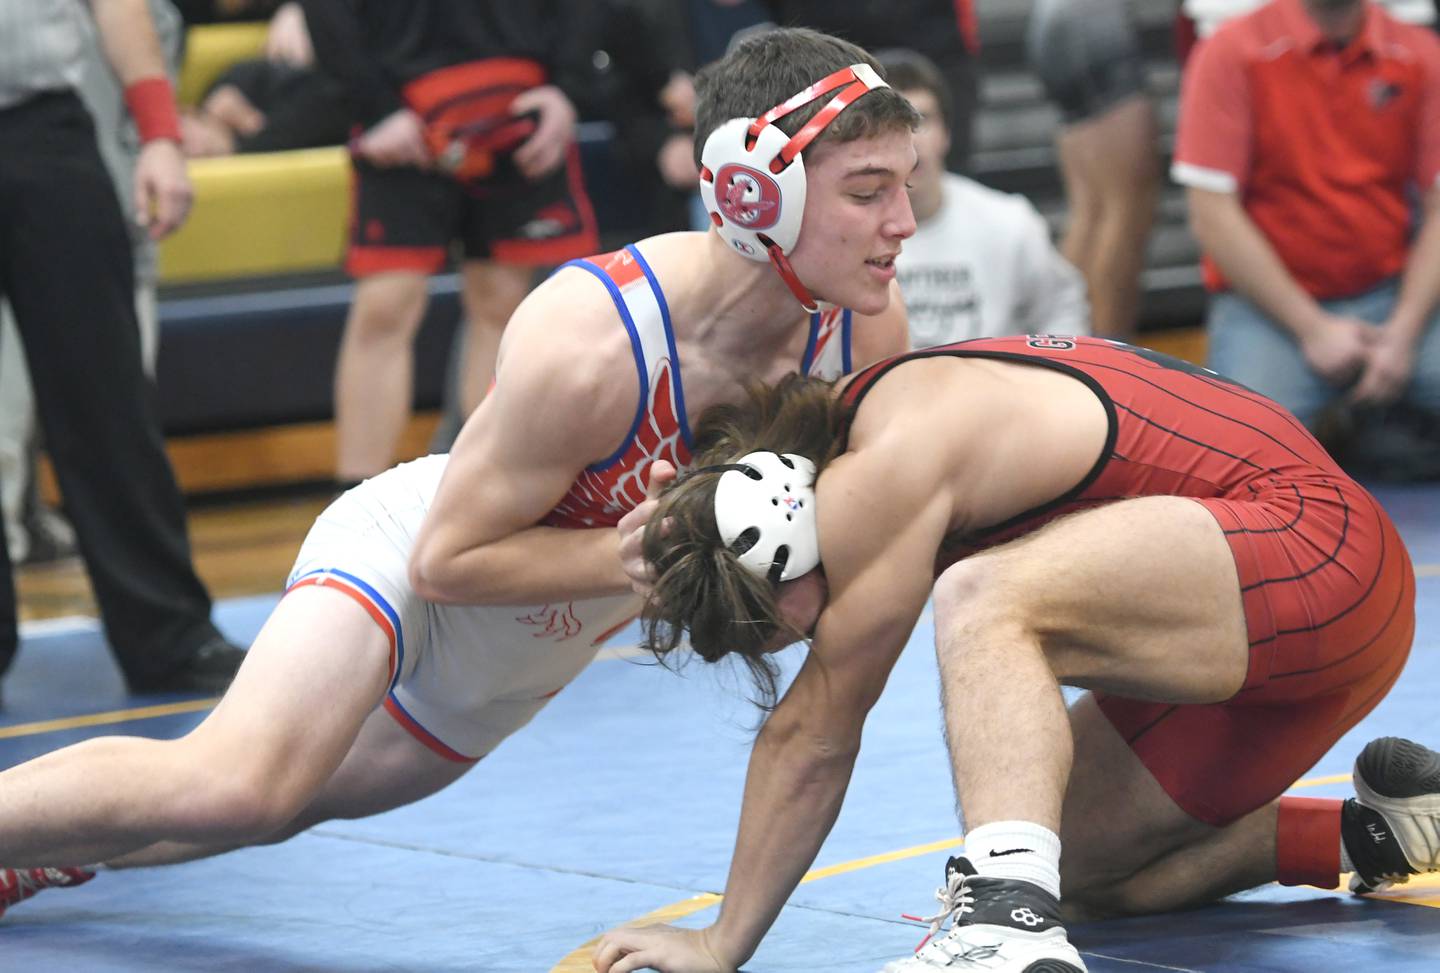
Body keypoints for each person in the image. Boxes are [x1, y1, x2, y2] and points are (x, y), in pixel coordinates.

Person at [0, 27, 917, 919]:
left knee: (281, 806)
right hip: (418, 558)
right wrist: (645, 558)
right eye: (867, 192)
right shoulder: (597, 341)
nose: (903, 224)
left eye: (904, 186)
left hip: (520, 659)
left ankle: (40, 853)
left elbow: (806, 588)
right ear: (758, 195)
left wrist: (762, 589)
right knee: (240, 779)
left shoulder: (863, 330)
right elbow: (447, 559)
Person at [592, 334, 1433, 972]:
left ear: (785, 538)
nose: (813, 637)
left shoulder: (885, 463)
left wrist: (722, 940)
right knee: (1073, 866)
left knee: (985, 596)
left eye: (784, 626)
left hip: (1316, 551)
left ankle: (1003, 921)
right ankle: (1373, 831)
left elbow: (816, 727)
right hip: (1286, 622)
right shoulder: (835, 452)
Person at [0, 0, 246, 699]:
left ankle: (169, 634)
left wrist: (160, 135)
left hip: (40, 126)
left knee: (105, 397)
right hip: (41, 133)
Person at [297, 0, 603, 487]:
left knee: (502, 305)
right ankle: (351, 509)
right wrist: (373, 107)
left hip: (520, 111)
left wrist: (567, 88)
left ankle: (472, 494)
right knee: (385, 305)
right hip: (401, 110)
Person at [1175, 0, 1440, 481]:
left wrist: (1403, 332)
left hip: (1393, 299)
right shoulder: (1231, 53)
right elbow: (1211, 213)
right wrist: (1312, 328)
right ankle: (1355, 422)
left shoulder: (1419, 53)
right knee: (1224, 462)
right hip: (1272, 311)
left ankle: (1360, 424)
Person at [878, 48, 1089, 346]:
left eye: (922, 120)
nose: (911, 140)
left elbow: (1064, 309)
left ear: (948, 133)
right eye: (894, 125)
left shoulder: (1010, 222)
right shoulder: (847, 236)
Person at [1026, 0, 1160, 338]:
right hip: (1095, 25)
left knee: (1090, 212)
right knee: (1124, 213)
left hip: (1057, 20)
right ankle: (1106, 359)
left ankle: (1064, 347)